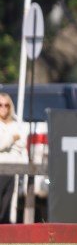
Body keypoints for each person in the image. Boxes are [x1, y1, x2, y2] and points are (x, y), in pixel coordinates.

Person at [0, 93, 26, 223]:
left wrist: (9, 141)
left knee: (7, 205)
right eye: (0, 105)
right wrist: (12, 138)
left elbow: (22, 143)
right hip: (1, 168)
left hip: (12, 169)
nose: (3, 108)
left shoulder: (16, 123)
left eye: (6, 105)